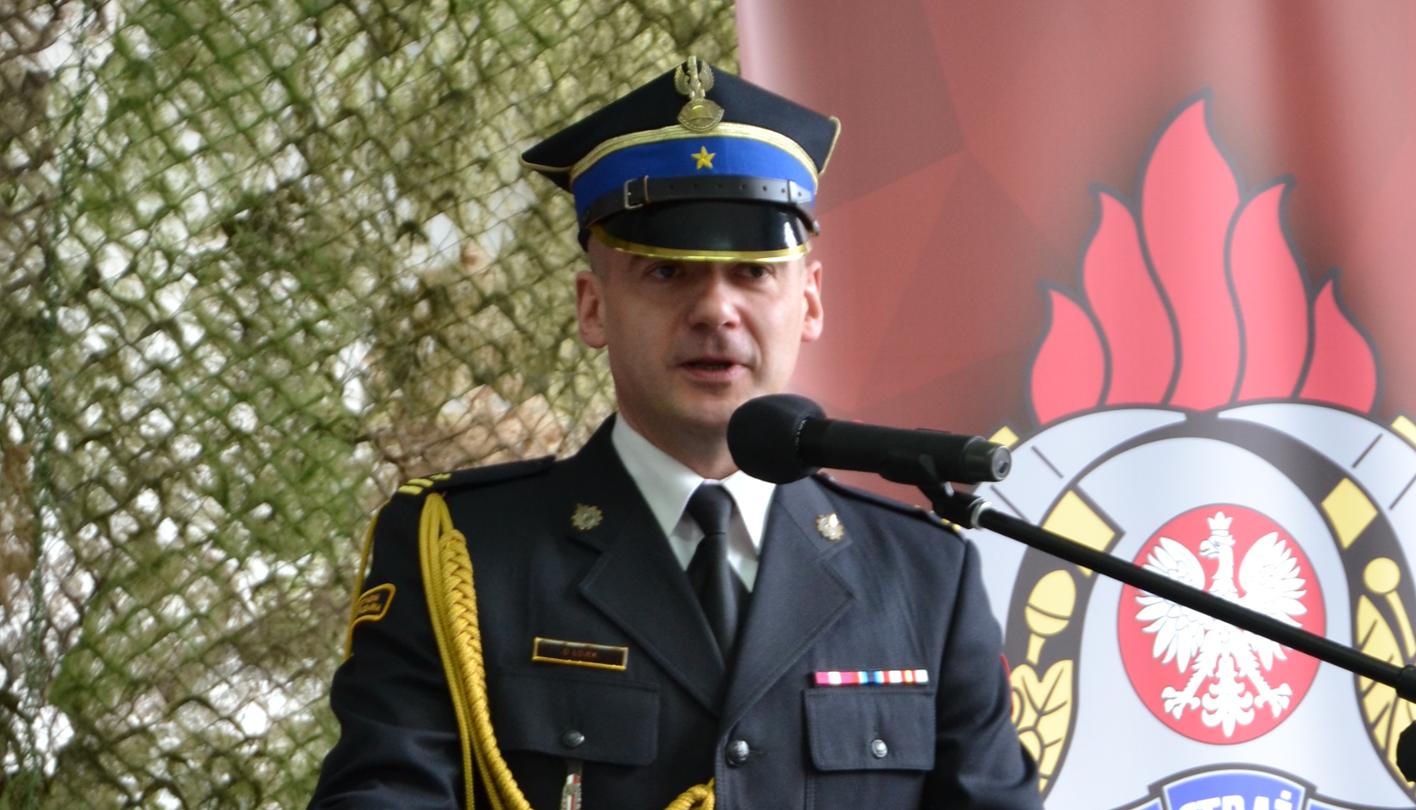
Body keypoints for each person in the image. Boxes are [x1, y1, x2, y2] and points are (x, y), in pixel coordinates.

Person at [308, 57, 1041, 810]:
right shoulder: (464, 553)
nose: (716, 310)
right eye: (666, 272)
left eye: (753, 273)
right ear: (593, 307)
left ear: (810, 302)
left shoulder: (924, 576)